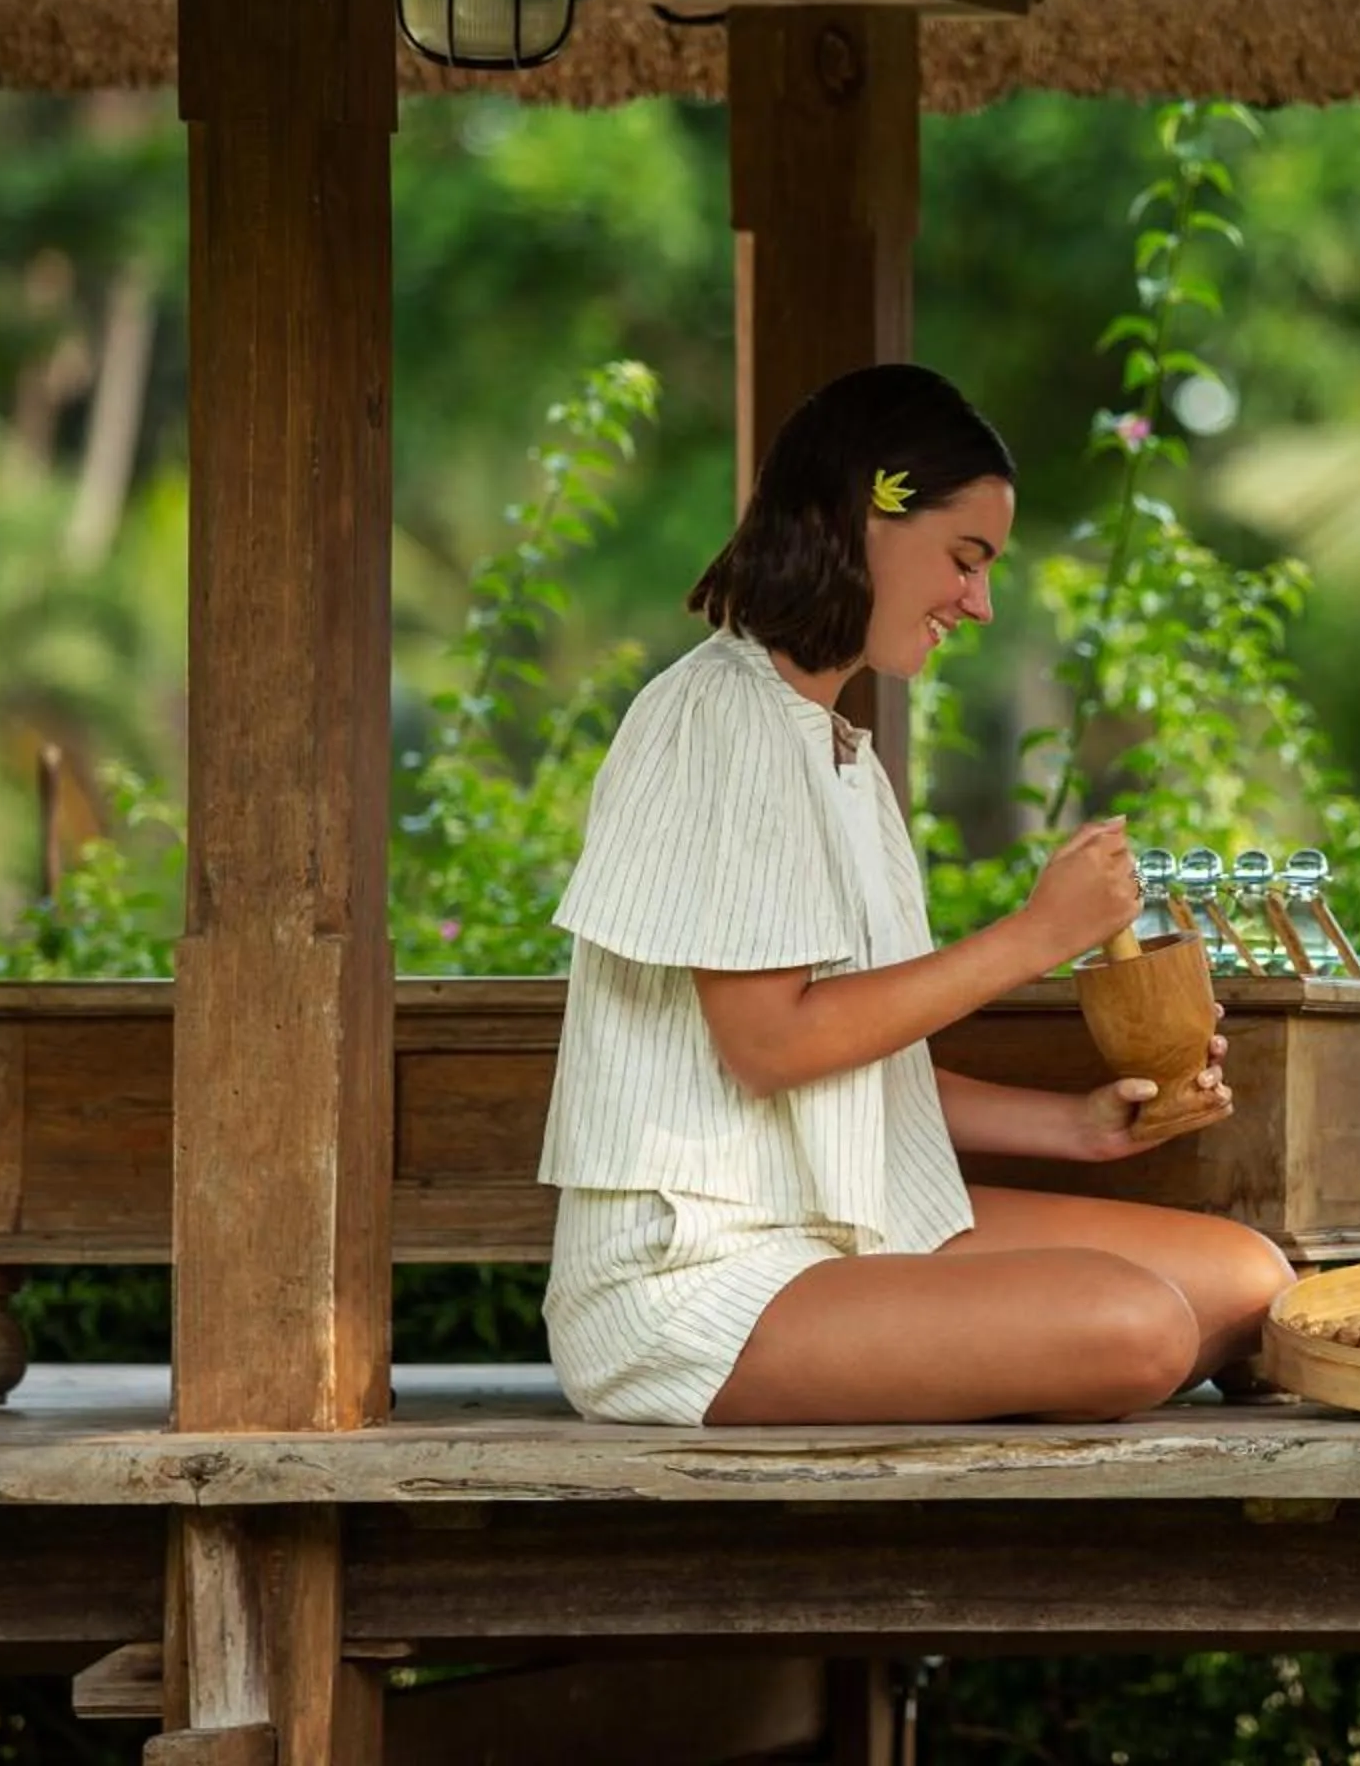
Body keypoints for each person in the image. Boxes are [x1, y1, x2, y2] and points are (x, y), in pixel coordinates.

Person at [538, 363, 1296, 1427]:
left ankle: (974, 1355)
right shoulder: (716, 716)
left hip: (851, 1227)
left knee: (1255, 1281)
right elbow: (770, 1045)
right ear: (865, 517)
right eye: (965, 559)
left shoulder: (841, 755)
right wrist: (1037, 935)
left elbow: (854, 1067)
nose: (978, 603)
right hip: (692, 1283)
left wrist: (1079, 1126)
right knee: (1138, 1326)